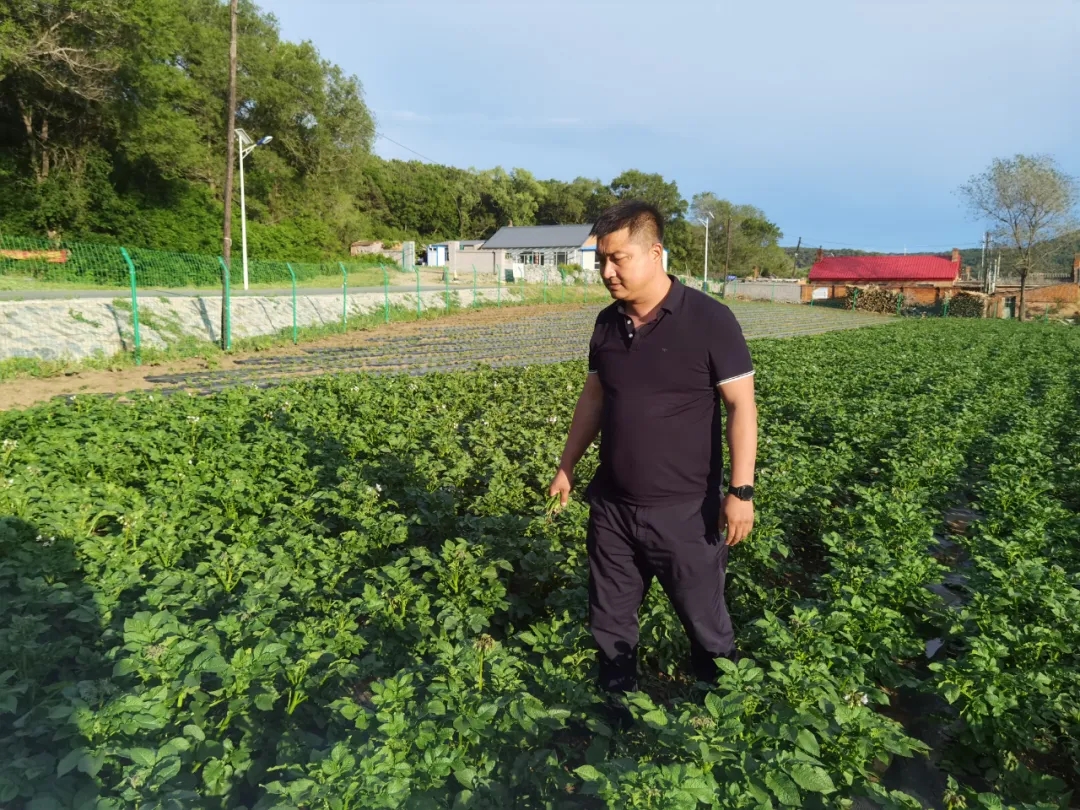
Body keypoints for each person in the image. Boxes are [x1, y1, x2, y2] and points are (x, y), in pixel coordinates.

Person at [548, 199, 758, 695]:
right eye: (601, 260)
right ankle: (614, 716)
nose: (606, 271)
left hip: (686, 513)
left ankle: (720, 718)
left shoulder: (710, 320)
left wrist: (741, 492)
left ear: (655, 253)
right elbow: (594, 398)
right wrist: (567, 466)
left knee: (705, 624)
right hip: (613, 510)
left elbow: (741, 407)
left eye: (618, 258)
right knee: (610, 622)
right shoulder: (605, 323)